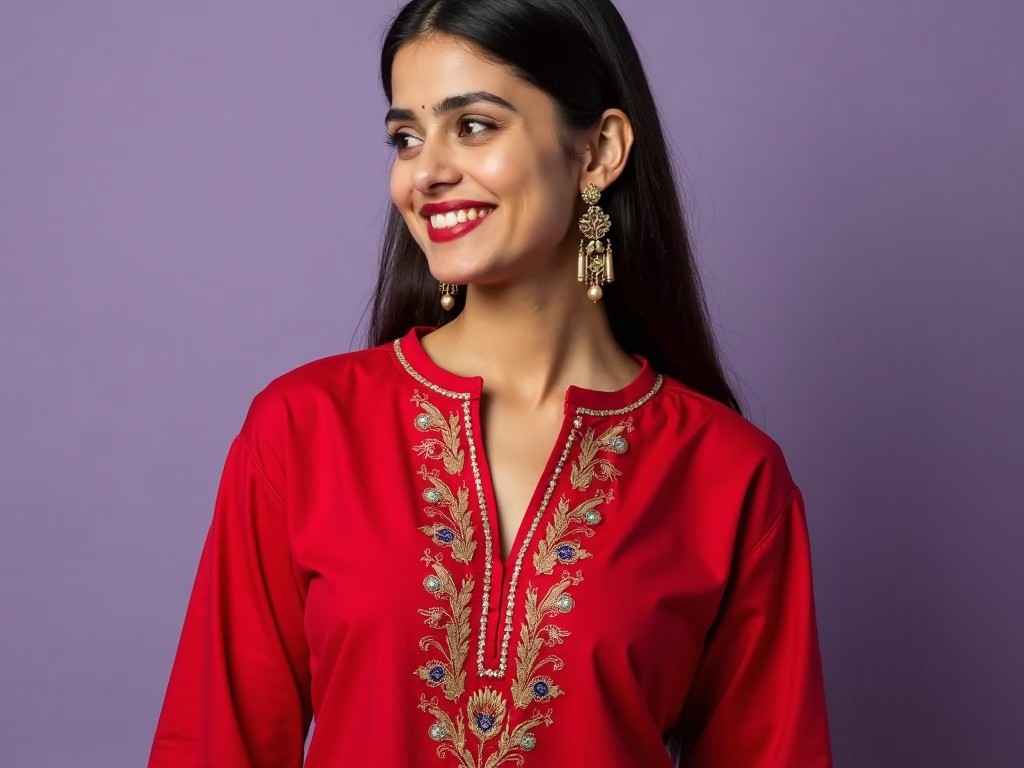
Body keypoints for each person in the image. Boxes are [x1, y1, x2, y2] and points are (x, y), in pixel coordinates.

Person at [148, 0, 833, 765]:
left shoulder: (729, 475)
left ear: (599, 150)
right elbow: (211, 744)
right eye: (406, 138)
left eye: (473, 125)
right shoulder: (304, 431)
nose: (428, 172)